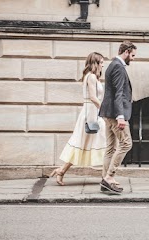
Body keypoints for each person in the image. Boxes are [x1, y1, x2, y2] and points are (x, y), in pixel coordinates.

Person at [50, 52, 106, 186]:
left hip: (93, 113)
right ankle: (108, 176)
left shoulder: (93, 77)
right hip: (91, 114)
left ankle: (61, 171)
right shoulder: (91, 77)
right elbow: (93, 97)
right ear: (95, 63)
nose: (103, 66)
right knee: (85, 143)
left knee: (88, 143)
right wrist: (104, 110)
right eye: (101, 63)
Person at [99, 41, 137, 194]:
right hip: (116, 114)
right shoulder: (119, 67)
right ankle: (109, 177)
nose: (133, 58)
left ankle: (104, 180)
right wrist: (120, 116)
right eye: (133, 55)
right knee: (126, 144)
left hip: (108, 113)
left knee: (110, 148)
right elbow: (119, 94)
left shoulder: (112, 65)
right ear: (126, 52)